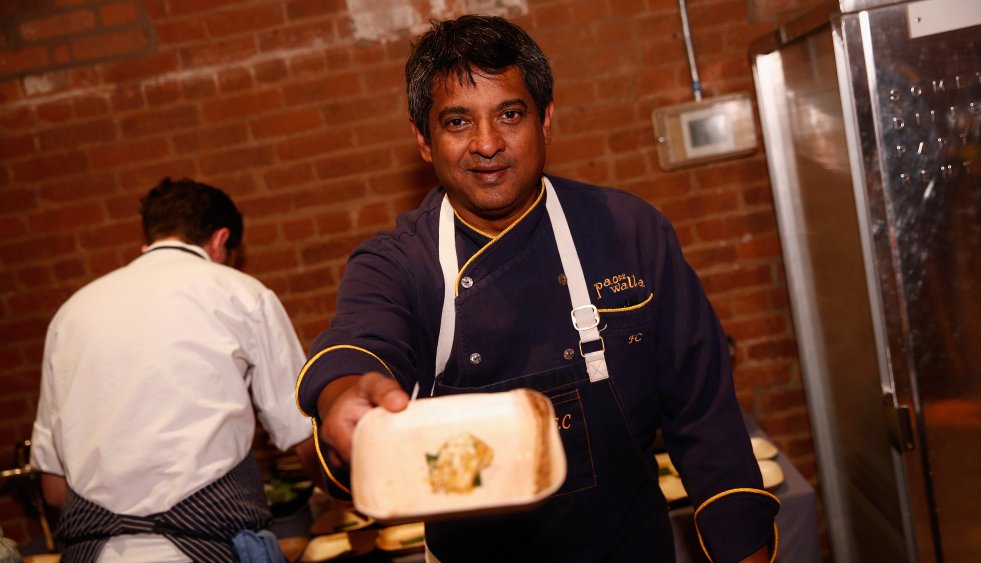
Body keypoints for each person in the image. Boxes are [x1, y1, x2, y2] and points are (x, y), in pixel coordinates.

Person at [296, 15, 779, 562]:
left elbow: (704, 413)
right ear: (423, 141)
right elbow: (362, 341)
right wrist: (345, 394)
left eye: (509, 114)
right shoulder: (398, 262)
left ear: (545, 120)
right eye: (457, 122)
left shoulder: (628, 231)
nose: (486, 144)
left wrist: (744, 548)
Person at [30, 178, 319, 562]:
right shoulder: (242, 293)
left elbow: (53, 489)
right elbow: (303, 436)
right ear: (221, 241)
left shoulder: (70, 314)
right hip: (209, 550)